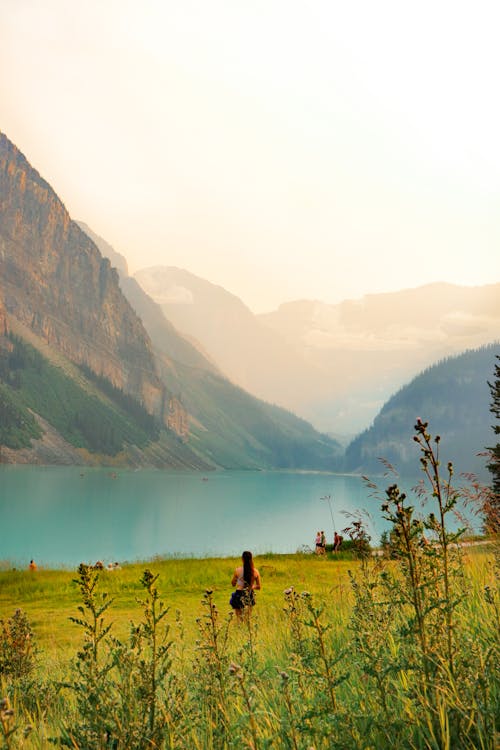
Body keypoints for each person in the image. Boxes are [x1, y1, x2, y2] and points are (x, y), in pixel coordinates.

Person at [230, 550, 261, 620]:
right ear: (251, 559)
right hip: (249, 594)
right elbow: (259, 586)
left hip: (238, 594)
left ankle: (239, 630)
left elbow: (233, 584)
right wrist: (251, 586)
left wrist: (237, 580)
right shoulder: (255, 571)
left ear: (242, 559)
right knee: (248, 618)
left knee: (239, 619)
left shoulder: (237, 570)